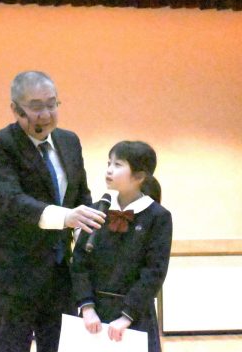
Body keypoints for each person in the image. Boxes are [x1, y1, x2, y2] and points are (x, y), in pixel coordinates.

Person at [0, 71, 106, 352]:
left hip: (59, 276)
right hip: (11, 279)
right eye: (36, 107)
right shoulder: (0, 145)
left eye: (52, 104)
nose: (47, 114)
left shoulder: (70, 141)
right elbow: (8, 201)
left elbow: (81, 196)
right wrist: (65, 217)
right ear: (16, 109)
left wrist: (92, 226)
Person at [71, 140, 172, 352]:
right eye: (109, 163)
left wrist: (127, 316)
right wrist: (87, 307)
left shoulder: (158, 217)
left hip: (135, 315)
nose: (109, 170)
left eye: (118, 165)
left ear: (139, 176)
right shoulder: (97, 209)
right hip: (93, 314)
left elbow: (154, 271)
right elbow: (79, 261)